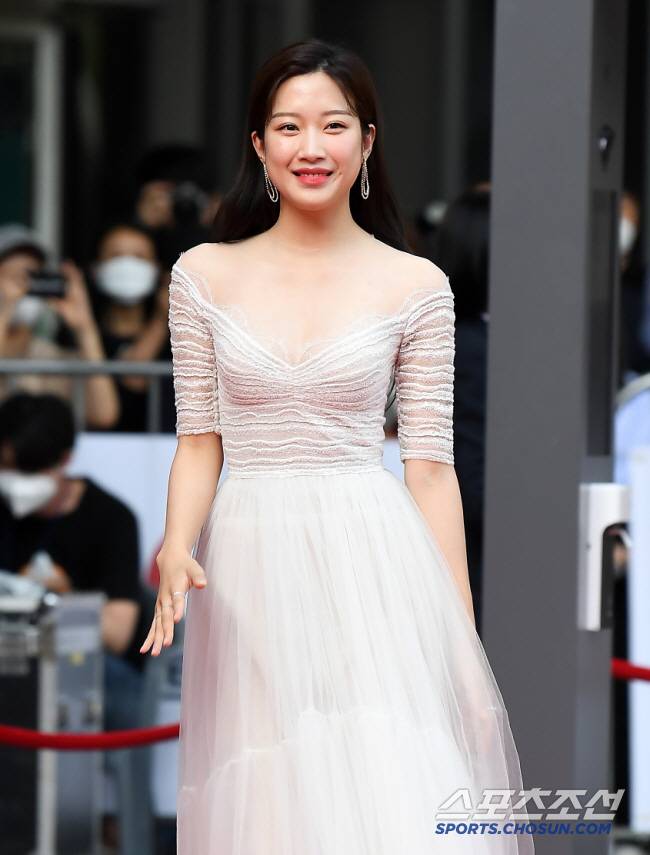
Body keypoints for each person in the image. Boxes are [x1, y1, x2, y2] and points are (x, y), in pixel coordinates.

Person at [140, 38, 534, 854]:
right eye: (288, 126)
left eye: (333, 125)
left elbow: (430, 472)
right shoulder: (203, 274)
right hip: (247, 557)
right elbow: (199, 441)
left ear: (367, 140)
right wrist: (177, 543)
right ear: (259, 145)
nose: (310, 146)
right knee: (270, 794)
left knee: (386, 784)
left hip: (370, 557)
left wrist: (460, 645)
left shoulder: (416, 284)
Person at [0, 392, 151, 726]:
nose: (14, 481)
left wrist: (60, 598)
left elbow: (117, 635)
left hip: (88, 663)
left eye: (28, 470)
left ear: (64, 459)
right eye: (6, 468)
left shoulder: (111, 518)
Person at [0, 224, 120, 429]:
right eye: (13, 277)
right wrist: (4, 312)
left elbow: (103, 415)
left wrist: (85, 328)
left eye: (33, 277)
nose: (24, 288)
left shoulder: (52, 358)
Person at [89, 221, 176, 432]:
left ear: (157, 270)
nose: (127, 266)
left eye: (139, 257)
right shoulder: (79, 335)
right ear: (96, 269)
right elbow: (132, 377)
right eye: (116, 256)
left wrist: (165, 313)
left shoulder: (181, 335)